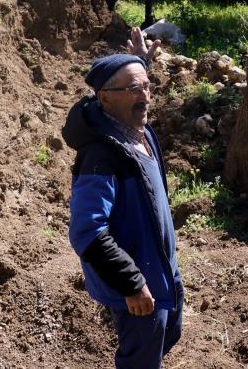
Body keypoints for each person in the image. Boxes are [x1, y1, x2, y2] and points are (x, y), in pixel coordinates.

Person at [65, 27, 183, 368]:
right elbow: (87, 231)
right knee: (141, 358)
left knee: (168, 333)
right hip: (139, 280)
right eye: (133, 89)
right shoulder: (101, 156)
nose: (144, 96)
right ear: (104, 99)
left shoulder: (137, 130)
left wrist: (139, 64)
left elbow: (136, 94)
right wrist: (131, 284)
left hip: (162, 267)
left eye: (146, 86)